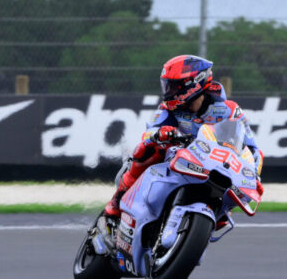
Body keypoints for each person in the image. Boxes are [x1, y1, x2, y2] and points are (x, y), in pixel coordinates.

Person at [104, 54, 264, 218]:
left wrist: (255, 176)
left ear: (192, 85)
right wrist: (161, 134)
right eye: (167, 86)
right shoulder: (168, 108)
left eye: (173, 87)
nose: (168, 92)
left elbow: (252, 148)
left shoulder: (229, 110)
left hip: (212, 162)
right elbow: (150, 133)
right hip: (176, 157)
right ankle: (118, 199)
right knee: (144, 151)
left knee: (231, 196)